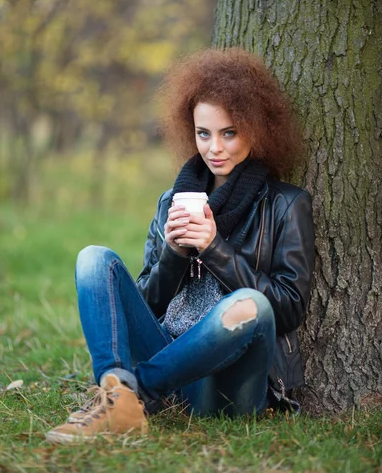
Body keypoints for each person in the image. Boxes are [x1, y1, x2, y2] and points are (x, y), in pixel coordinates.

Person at [46, 48, 315, 444]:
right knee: (93, 259)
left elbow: (288, 308)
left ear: (256, 130)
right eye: (203, 133)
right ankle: (117, 391)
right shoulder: (173, 200)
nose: (214, 149)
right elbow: (147, 305)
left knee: (250, 305)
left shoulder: (286, 204)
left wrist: (214, 248)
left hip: (227, 385)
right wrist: (173, 254)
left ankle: (131, 396)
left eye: (229, 133)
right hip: (166, 355)